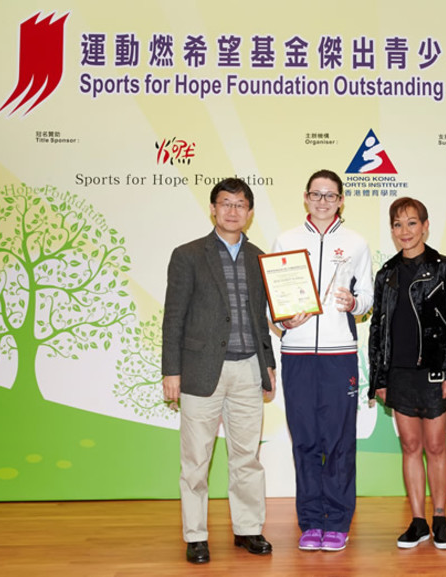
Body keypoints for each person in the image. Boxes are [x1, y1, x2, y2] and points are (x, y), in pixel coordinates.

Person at [161, 178, 277, 563]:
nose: (232, 211)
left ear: (249, 212)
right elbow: (173, 317)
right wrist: (171, 370)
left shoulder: (260, 258)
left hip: (247, 369)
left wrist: (269, 363)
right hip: (200, 370)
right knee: (196, 459)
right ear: (213, 208)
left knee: (247, 455)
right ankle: (195, 535)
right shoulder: (188, 255)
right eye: (225, 203)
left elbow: (262, 319)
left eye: (240, 204)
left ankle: (248, 529)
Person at [272, 169, 373, 552]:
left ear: (342, 200)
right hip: (296, 354)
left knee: (340, 441)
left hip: (339, 354)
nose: (323, 201)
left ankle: (339, 521)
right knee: (305, 440)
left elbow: (366, 296)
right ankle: (311, 522)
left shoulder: (356, 243)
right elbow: (274, 299)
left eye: (331, 196)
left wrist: (355, 303)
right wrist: (284, 319)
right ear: (305, 197)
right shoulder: (286, 239)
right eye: (317, 194)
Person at [368, 197, 446, 550]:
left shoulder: (445, 268)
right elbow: (378, 331)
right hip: (399, 374)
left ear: (425, 226)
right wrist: (378, 378)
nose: (405, 231)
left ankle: (440, 518)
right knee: (410, 446)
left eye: (412, 223)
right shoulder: (387, 274)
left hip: (435, 373)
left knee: (436, 446)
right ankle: (418, 521)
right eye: (397, 224)